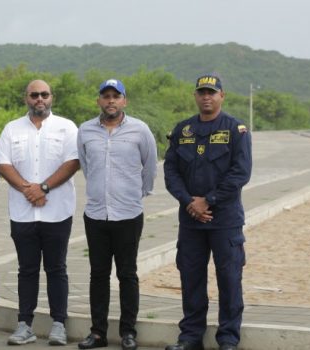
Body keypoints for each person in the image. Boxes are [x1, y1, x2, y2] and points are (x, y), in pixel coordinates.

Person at [163, 75, 252, 350]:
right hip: (190, 221)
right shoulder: (183, 130)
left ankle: (228, 339)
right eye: (202, 92)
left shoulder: (236, 130)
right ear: (195, 95)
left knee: (229, 280)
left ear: (222, 96)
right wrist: (190, 202)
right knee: (191, 279)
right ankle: (190, 337)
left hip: (224, 221)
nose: (206, 97)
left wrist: (208, 200)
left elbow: (241, 173)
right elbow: (171, 171)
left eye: (212, 93)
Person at [0, 79, 80, 346]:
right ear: (26, 98)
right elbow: (2, 163)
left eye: (44, 94)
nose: (39, 99)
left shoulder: (66, 127)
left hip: (57, 212)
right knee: (26, 270)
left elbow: (73, 162)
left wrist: (42, 188)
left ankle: (58, 325)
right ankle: (24, 326)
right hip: (23, 213)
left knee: (57, 269)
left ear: (51, 97)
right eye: (34, 95)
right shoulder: (12, 129)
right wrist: (28, 190)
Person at [76, 79, 157, 350]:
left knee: (127, 274)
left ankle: (128, 333)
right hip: (97, 214)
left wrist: (135, 195)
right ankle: (98, 333)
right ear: (99, 100)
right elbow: (87, 167)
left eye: (116, 96)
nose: (111, 101)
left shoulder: (140, 130)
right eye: (106, 96)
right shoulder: (86, 130)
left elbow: (149, 168)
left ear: (125, 101)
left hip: (129, 214)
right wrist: (102, 192)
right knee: (98, 274)